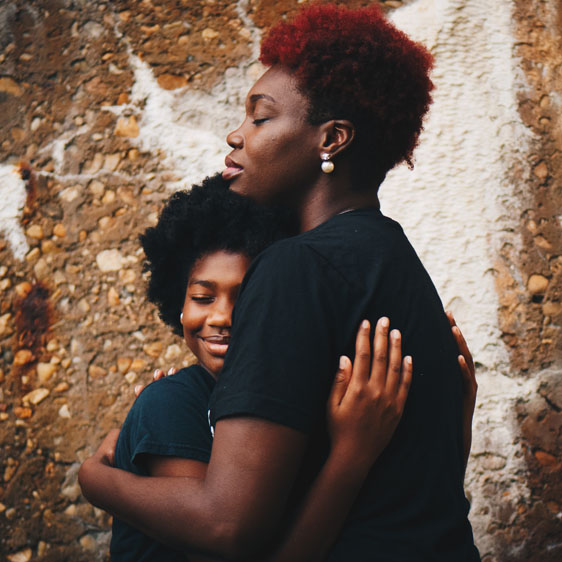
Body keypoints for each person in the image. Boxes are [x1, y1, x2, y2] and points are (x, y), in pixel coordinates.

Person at [79, 4, 480, 560]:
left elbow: (227, 528)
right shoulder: (395, 259)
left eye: (260, 118)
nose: (236, 135)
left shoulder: (296, 266)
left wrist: (95, 480)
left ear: (332, 139)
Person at [110, 174, 413, 561]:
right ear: (178, 304)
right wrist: (351, 455)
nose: (221, 316)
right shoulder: (172, 404)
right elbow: (228, 538)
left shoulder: (285, 403)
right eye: (203, 297)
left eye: (247, 297)